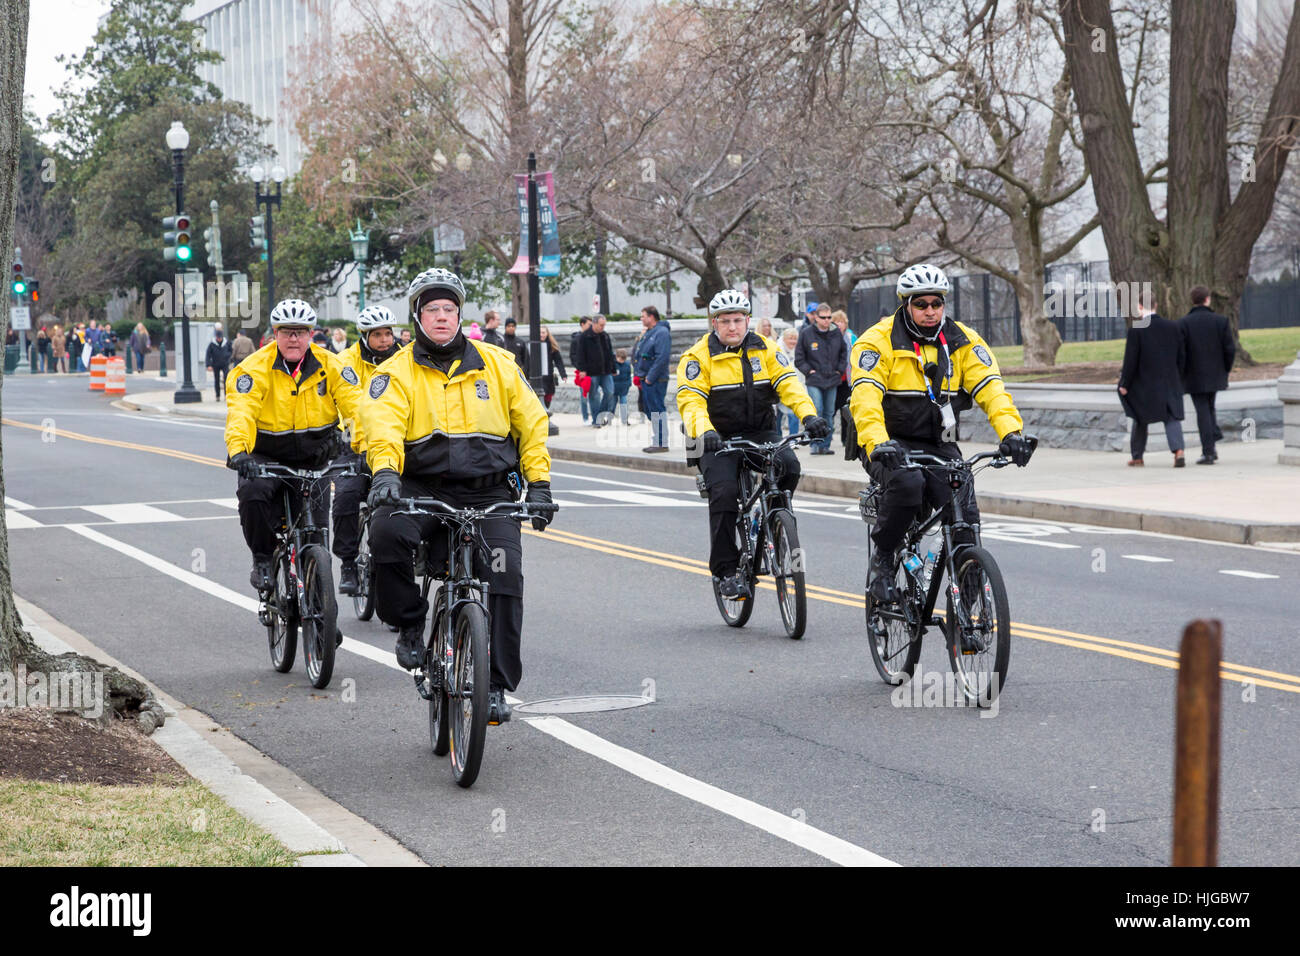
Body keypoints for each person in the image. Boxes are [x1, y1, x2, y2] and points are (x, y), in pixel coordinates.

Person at [364, 268, 554, 725]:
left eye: (449, 309)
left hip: (489, 490)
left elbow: (531, 423)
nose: (442, 317)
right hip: (420, 487)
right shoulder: (394, 372)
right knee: (386, 535)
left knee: (506, 576)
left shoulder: (499, 363)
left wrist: (540, 483)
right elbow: (382, 427)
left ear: (460, 315)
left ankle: (497, 686)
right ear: (418, 317)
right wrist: (386, 475)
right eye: (432, 310)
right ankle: (410, 622)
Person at [850, 264, 1032, 602]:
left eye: (937, 303)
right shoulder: (877, 341)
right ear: (906, 304)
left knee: (963, 509)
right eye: (921, 304)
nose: (930, 311)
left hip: (938, 441)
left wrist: (1011, 433)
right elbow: (865, 397)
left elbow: (991, 388)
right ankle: (884, 561)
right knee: (907, 484)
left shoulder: (963, 340)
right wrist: (877, 442)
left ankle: (969, 599)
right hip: (888, 441)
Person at [677, 289, 829, 599]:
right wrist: (704, 431)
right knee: (724, 494)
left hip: (760, 431)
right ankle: (726, 572)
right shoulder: (696, 357)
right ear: (714, 323)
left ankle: (776, 519)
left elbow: (789, 384)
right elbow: (690, 401)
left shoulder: (768, 350)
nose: (732, 327)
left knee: (790, 466)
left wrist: (809, 416)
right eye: (724, 321)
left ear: (748, 320)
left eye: (738, 320)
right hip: (715, 437)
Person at [224, 299, 363, 593]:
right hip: (267, 456)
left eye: (300, 332)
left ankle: (321, 609)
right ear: (275, 334)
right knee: (252, 493)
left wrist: (361, 447)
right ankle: (262, 558)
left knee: (316, 533)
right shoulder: (252, 369)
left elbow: (357, 410)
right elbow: (241, 413)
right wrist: (239, 452)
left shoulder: (332, 365)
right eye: (286, 332)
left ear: (311, 335)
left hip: (315, 457)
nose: (293, 338)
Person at [332, 304, 403, 595]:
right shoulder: (346, 362)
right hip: (354, 444)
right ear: (364, 336)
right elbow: (355, 407)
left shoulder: (404, 358)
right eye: (378, 335)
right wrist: (365, 446)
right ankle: (348, 562)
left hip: (393, 443)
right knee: (347, 497)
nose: (385, 340)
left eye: (389, 333)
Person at [1118, 290, 1187, 467]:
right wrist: (1178, 376)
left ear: (1140, 307)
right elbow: (1182, 356)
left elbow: (1131, 361)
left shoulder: (1136, 330)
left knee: (1140, 417)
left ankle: (1137, 456)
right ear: (1155, 305)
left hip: (1145, 383)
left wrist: (1125, 383)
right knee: (1172, 417)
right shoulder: (1174, 327)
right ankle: (1178, 450)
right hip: (1170, 380)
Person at [1178, 286, 1235, 465]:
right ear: (1207, 299)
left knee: (1203, 411)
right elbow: (1230, 349)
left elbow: (1181, 353)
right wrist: (1225, 369)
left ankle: (1208, 451)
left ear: (1192, 301)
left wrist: (1181, 373)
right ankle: (1213, 441)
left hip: (1194, 376)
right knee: (1209, 408)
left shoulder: (1183, 324)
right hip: (1215, 374)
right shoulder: (1221, 321)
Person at [795, 302, 847, 454]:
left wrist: (839, 370)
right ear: (816, 318)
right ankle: (814, 444)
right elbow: (799, 357)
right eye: (823, 317)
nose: (826, 320)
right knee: (817, 410)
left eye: (829, 317)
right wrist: (808, 371)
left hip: (832, 378)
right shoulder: (806, 333)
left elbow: (844, 354)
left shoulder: (836, 332)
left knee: (829, 413)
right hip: (814, 379)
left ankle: (825, 445)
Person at [635, 305, 672, 452]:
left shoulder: (661, 333)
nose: (641, 318)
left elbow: (662, 358)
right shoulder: (650, 332)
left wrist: (650, 378)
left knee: (657, 410)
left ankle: (661, 442)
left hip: (656, 379)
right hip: (646, 378)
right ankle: (658, 439)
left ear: (651, 317)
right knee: (650, 410)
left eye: (643, 316)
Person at [579, 314, 616, 425]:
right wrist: (582, 369)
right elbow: (581, 354)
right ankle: (597, 420)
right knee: (594, 396)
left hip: (606, 371)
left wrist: (613, 368)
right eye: (601, 325)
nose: (602, 327)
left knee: (610, 392)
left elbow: (610, 352)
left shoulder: (605, 335)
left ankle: (600, 414)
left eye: (604, 325)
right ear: (594, 324)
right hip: (591, 372)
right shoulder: (585, 336)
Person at [777, 327, 803, 435]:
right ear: (784, 339)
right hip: (780, 386)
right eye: (790, 338)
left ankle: (793, 437)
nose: (793, 341)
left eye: (795, 339)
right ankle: (777, 436)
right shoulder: (777, 350)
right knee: (778, 415)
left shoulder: (799, 351)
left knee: (793, 414)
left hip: (794, 386)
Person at [537, 325, 566, 408]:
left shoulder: (552, 347)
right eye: (540, 332)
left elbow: (558, 362)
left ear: (547, 334)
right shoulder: (533, 345)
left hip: (549, 377)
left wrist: (563, 374)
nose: (541, 334)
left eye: (543, 332)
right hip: (537, 378)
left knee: (547, 399)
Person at [570, 316, 592, 423]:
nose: (591, 326)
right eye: (589, 324)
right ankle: (585, 417)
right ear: (582, 324)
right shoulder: (576, 339)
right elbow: (573, 355)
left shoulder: (592, 336)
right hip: (582, 372)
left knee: (595, 394)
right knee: (584, 395)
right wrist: (580, 368)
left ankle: (595, 416)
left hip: (593, 371)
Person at [205, 327, 232, 400]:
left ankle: (226, 395)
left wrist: (228, 356)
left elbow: (231, 351)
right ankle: (217, 395)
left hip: (225, 363)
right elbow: (208, 355)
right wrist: (208, 365)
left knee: (226, 379)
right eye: (218, 338)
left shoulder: (227, 342)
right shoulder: (212, 344)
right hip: (215, 364)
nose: (219, 339)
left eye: (220, 338)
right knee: (216, 380)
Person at [612, 347, 632, 424]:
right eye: (620, 359)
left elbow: (629, 375)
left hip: (623, 388)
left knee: (624, 403)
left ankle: (624, 420)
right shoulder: (613, 364)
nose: (622, 361)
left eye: (623, 360)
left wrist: (628, 384)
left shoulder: (627, 365)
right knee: (612, 404)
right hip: (614, 388)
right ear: (616, 357)